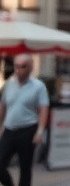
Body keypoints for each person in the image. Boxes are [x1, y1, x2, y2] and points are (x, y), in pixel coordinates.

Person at [0, 55, 48, 186]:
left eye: (23, 66)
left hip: (28, 129)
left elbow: (43, 109)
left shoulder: (38, 86)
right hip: (9, 129)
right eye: (16, 66)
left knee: (25, 167)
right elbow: (3, 106)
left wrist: (40, 131)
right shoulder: (9, 85)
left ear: (31, 67)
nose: (19, 70)